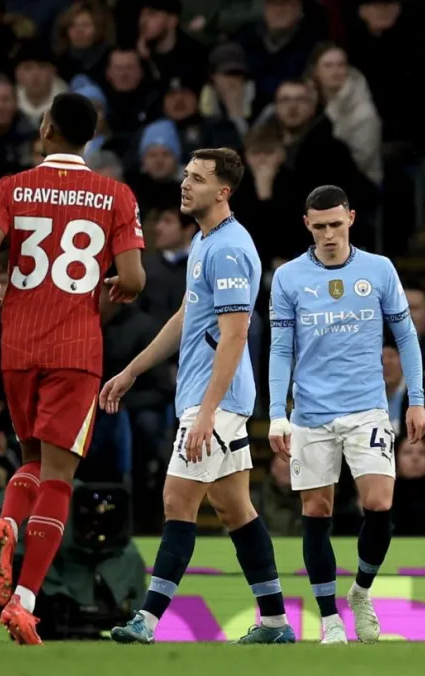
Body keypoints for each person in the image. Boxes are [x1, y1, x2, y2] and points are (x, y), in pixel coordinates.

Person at [0, 92, 146, 645]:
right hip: (75, 350)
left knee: (28, 459)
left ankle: (7, 523)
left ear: (46, 129)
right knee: (59, 477)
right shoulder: (115, 194)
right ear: (89, 137)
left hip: (18, 346)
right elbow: (135, 280)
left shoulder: (10, 187)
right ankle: (24, 600)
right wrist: (114, 287)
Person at [101, 148, 293, 645]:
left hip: (217, 401)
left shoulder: (228, 248)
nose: (185, 185)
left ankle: (146, 621)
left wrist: (208, 413)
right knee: (235, 509)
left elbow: (234, 335)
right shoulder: (205, 243)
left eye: (198, 179)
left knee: (176, 500)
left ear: (223, 191)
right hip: (208, 397)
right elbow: (187, 318)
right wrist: (133, 370)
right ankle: (274, 622)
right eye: (186, 176)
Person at [267, 184, 425, 644]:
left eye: (336, 224)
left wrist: (416, 398)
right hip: (311, 414)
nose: (329, 234)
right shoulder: (289, 277)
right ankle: (329, 618)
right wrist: (278, 413)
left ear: (351, 219)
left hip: (367, 409)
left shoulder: (378, 270)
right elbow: (280, 348)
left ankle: (360, 591)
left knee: (378, 504)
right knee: (316, 511)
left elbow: (407, 337)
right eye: (320, 227)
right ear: (307, 226)